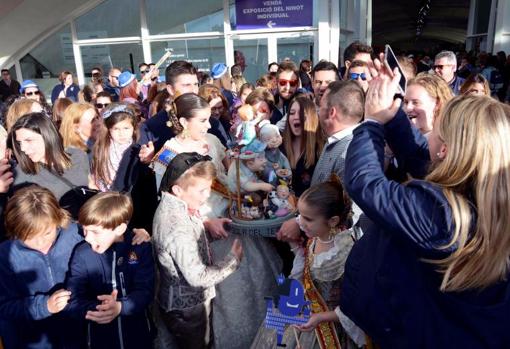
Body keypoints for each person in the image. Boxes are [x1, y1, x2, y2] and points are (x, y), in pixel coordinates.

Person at [340, 56, 510, 349]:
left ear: (445, 147)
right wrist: (392, 119)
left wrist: (370, 123)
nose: (427, 135)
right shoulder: (481, 197)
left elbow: (365, 184)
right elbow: (422, 157)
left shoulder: (441, 216)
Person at [251, 179, 365, 348]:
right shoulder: (314, 238)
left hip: (330, 325)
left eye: (308, 219)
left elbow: (358, 303)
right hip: (304, 312)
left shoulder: (347, 252)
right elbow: (305, 271)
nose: (300, 222)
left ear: (333, 221)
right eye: (299, 215)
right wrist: (295, 247)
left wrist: (321, 317)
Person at [152, 152, 242, 349]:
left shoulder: (175, 205)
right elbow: (197, 278)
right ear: (177, 189)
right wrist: (232, 261)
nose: (207, 195)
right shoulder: (176, 225)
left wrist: (209, 229)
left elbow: (180, 249)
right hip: (188, 311)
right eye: (202, 190)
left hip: (184, 307)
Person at [277, 80, 364, 243]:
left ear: (331, 112)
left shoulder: (349, 152)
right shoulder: (335, 141)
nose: (317, 112)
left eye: (321, 106)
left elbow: (347, 215)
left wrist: (300, 223)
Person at [66, 192, 155, 349]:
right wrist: (100, 309)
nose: (87, 237)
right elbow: (73, 300)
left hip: (138, 338)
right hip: (99, 341)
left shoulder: (139, 248)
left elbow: (146, 291)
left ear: (120, 228)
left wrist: (120, 307)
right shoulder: (82, 254)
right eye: (84, 229)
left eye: (95, 231)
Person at [0, 185, 83, 348]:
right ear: (15, 229)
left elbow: (108, 235)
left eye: (47, 233)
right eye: (29, 236)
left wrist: (136, 235)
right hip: (35, 339)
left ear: (59, 219)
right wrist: (45, 306)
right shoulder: (5, 255)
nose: (40, 242)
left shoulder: (75, 234)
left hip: (79, 333)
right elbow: (4, 307)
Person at [10, 113, 89, 200]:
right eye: (19, 142)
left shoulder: (78, 156)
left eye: (29, 140)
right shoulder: (22, 175)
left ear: (47, 136)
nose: (22, 148)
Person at [138, 60, 199, 153]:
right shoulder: (150, 128)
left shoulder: (208, 122)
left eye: (196, 84)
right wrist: (149, 160)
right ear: (170, 89)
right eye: (187, 85)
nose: (194, 90)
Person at [282, 95, 324, 196]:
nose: (296, 117)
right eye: (292, 113)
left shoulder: (320, 150)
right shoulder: (279, 146)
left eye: (301, 113)